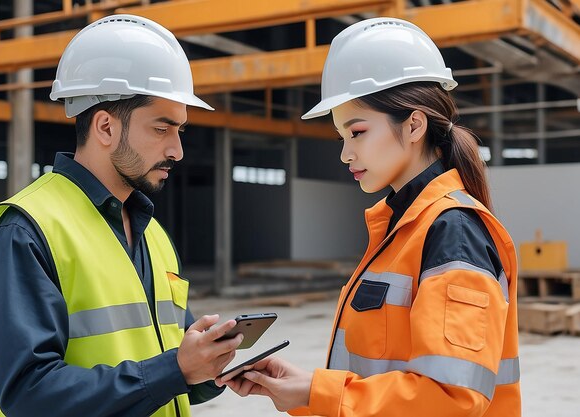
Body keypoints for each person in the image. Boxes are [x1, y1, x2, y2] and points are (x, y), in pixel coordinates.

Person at [219, 17, 521, 417]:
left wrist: (319, 391)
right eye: (341, 137)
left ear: (414, 124)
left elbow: (451, 399)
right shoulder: (402, 228)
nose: (345, 154)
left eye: (357, 132)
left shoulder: (452, 231)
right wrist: (306, 390)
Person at [0, 14, 243, 417]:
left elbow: (165, 370)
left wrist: (209, 367)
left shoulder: (153, 235)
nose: (177, 151)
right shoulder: (24, 231)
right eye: (162, 129)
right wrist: (175, 369)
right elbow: (29, 395)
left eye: (180, 131)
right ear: (106, 127)